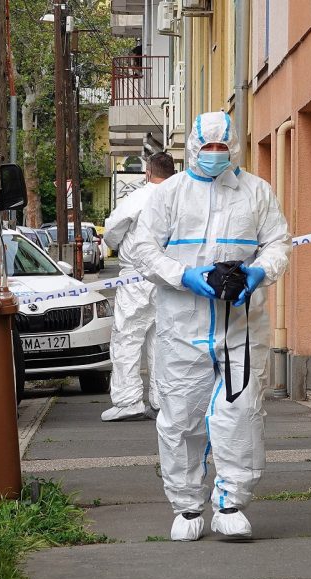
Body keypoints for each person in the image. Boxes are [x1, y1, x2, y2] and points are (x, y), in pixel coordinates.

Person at [131, 112, 290, 541]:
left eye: (222, 148)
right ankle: (186, 506)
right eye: (208, 148)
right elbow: (143, 249)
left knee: (241, 413)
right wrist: (184, 276)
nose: (215, 155)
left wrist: (259, 272)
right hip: (183, 326)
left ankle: (231, 503)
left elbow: (278, 242)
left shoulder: (256, 192)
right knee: (181, 415)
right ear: (193, 150)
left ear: (234, 148)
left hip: (240, 325)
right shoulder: (170, 194)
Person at [100, 152, 176, 422]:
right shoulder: (180, 197)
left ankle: (128, 400)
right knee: (162, 339)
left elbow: (112, 231)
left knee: (128, 337)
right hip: (169, 276)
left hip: (137, 277)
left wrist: (120, 245)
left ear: (148, 173)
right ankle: (161, 400)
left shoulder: (139, 197)